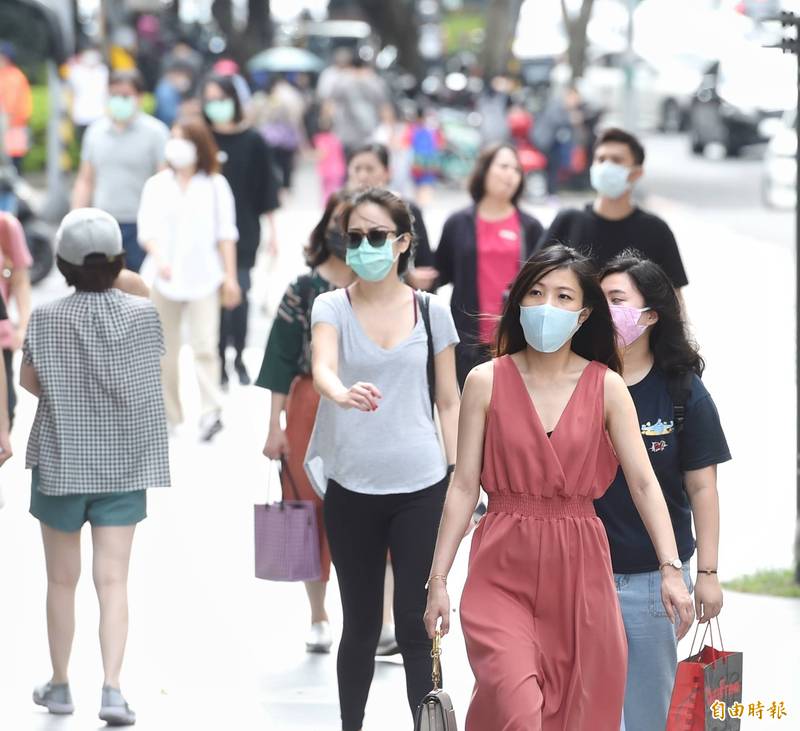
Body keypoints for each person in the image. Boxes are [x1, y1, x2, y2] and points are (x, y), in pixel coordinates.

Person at [424, 244, 696, 731]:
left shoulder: (606, 386)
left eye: (564, 296)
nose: (547, 304)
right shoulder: (484, 381)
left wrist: (672, 569)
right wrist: (439, 580)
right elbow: (464, 487)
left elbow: (643, 483)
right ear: (519, 303)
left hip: (581, 567)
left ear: (584, 313)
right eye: (536, 292)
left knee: (579, 713)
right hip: (501, 565)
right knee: (516, 708)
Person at [307, 188, 460, 731]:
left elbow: (449, 400)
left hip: (421, 485)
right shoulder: (330, 305)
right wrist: (339, 390)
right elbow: (323, 364)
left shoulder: (431, 311)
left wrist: (461, 479)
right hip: (352, 487)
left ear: (402, 243)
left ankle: (429, 725)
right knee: (362, 625)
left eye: (376, 236)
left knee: (418, 627)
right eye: (354, 237)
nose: (364, 246)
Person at [23, 208, 169, 726]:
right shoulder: (142, 313)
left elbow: (30, 383)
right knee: (114, 583)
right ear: (118, 261)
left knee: (61, 582)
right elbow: (138, 287)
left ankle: (60, 685)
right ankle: (112, 690)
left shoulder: (45, 316)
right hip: (124, 466)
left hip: (62, 463)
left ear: (60, 263)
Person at [597, 251, 730, 731]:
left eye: (616, 300)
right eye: (600, 299)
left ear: (649, 315)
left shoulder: (681, 391)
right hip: (580, 575)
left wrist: (708, 574)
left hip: (653, 583)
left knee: (648, 715)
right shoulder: (579, 379)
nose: (603, 309)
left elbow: (703, 487)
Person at [255, 192, 353, 654]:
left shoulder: (389, 290)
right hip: (307, 404)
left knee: (379, 507)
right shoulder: (304, 288)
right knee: (306, 507)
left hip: (367, 405)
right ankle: (318, 614)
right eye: (341, 221)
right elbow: (278, 358)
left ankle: (377, 615)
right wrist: (273, 426)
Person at [137, 117, 241, 441]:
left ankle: (210, 412)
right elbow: (147, 230)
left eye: (184, 139)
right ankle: (168, 414)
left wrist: (231, 278)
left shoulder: (214, 185)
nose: (177, 145)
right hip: (163, 277)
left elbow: (226, 235)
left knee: (204, 345)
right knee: (162, 349)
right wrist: (160, 259)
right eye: (174, 138)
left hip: (204, 277)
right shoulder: (157, 184)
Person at [435, 143, 544, 389]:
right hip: (468, 341)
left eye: (517, 170)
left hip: (517, 341)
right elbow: (440, 272)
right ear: (484, 170)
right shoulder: (458, 223)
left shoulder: (530, 227)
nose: (510, 175)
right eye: (504, 166)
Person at [202, 74, 280, 387]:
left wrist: (274, 232)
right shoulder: (202, 139)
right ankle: (219, 360)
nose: (215, 106)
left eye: (221, 99)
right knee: (214, 301)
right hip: (206, 235)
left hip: (245, 230)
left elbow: (268, 191)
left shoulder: (254, 140)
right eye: (210, 100)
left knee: (240, 295)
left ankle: (239, 356)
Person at [539, 127, 689, 290]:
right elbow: (533, 278)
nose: (606, 167)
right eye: (601, 159)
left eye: (616, 160)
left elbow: (675, 298)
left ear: (636, 173)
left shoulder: (656, 230)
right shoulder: (568, 221)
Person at [71, 69, 170, 273]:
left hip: (142, 226)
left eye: (125, 96)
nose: (119, 101)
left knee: (139, 289)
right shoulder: (95, 132)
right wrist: (75, 218)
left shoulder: (156, 132)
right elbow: (86, 180)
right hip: (103, 224)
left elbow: (165, 181)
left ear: (139, 98)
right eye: (114, 95)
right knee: (103, 285)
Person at [346, 142, 437, 292]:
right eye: (357, 168)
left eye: (370, 169)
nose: (362, 175)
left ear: (388, 172)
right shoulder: (341, 210)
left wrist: (412, 277)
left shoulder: (408, 209)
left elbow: (425, 265)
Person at [0, 211, 32, 426]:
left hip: (2, 339)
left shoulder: (5, 226)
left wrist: (23, 326)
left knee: (6, 412)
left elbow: (20, 281)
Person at [66, 46, 109, 147]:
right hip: (81, 117)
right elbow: (71, 93)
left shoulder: (102, 71)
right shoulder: (75, 71)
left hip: (100, 116)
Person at [0, 41, 33, 173]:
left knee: (12, 168)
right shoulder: (4, 75)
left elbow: (10, 106)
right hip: (8, 129)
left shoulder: (14, 77)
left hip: (12, 129)